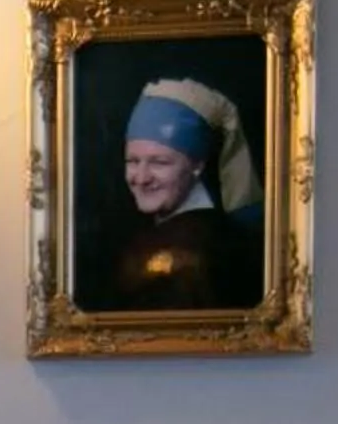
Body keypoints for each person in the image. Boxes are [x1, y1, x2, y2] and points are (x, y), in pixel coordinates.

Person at [104, 77, 265, 310]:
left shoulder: (200, 247)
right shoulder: (217, 232)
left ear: (197, 165)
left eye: (159, 163)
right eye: (133, 161)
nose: (141, 177)